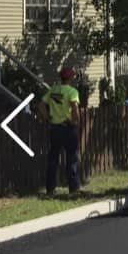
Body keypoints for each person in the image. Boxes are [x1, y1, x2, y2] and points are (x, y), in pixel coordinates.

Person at [38, 67, 81, 195]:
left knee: (53, 160)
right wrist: (75, 121)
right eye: (73, 76)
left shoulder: (54, 90)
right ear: (70, 78)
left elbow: (41, 105)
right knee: (71, 158)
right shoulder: (72, 92)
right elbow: (74, 108)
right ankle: (73, 188)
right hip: (67, 128)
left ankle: (50, 188)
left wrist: (48, 117)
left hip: (55, 128)